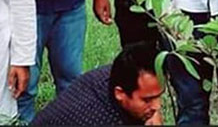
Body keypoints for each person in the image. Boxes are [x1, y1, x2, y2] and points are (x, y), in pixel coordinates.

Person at [31, 42, 164, 126]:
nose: (157, 106)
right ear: (120, 93)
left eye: (159, 96)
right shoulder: (100, 120)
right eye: (147, 100)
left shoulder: (116, 73)